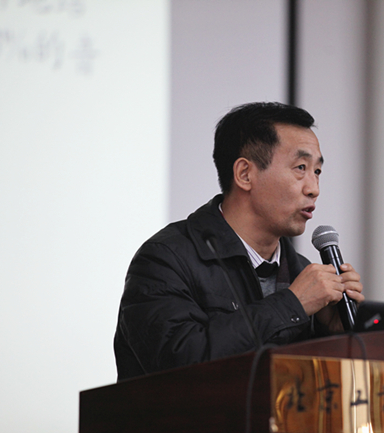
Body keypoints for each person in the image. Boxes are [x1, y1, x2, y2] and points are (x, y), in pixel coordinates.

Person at [113, 102, 364, 380]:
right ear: (245, 174)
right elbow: (179, 367)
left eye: (317, 171)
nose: (313, 189)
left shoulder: (300, 271)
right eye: (300, 167)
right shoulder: (166, 259)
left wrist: (331, 333)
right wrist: (292, 305)